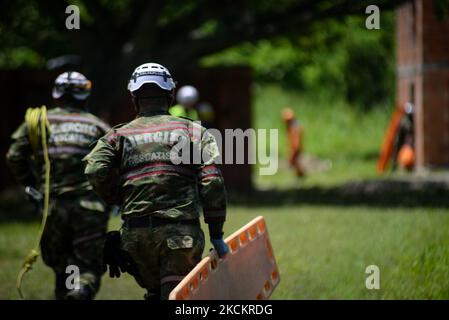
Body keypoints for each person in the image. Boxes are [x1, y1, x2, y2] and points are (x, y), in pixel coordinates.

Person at [83, 62, 229, 300]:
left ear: (133, 96)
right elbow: (212, 181)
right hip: (180, 238)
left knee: (156, 293)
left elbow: (94, 170)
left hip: (135, 238)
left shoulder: (117, 135)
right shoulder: (193, 132)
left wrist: (118, 198)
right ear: (170, 94)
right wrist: (216, 233)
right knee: (177, 296)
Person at [6, 71, 111, 299]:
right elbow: (114, 164)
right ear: (85, 95)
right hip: (89, 208)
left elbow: (14, 156)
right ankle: (80, 290)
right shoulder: (97, 125)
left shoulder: (40, 122)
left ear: (56, 95)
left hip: (51, 209)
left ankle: (69, 291)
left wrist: (29, 185)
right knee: (87, 265)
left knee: (61, 266)